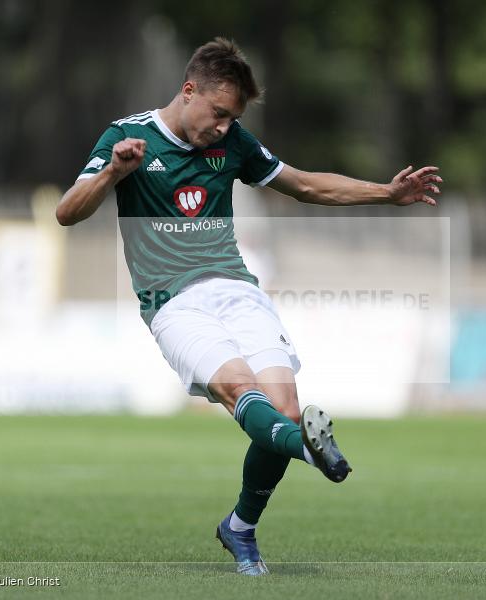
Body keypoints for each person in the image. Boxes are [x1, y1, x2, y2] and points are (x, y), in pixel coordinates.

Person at [56, 37, 442, 576]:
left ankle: (240, 527)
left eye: (231, 117)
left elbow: (305, 185)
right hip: (172, 302)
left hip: (237, 289)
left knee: (282, 409)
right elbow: (66, 213)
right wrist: (110, 175)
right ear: (188, 90)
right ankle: (309, 451)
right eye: (217, 113)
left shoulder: (232, 143)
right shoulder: (127, 137)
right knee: (241, 389)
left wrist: (386, 193)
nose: (222, 126)